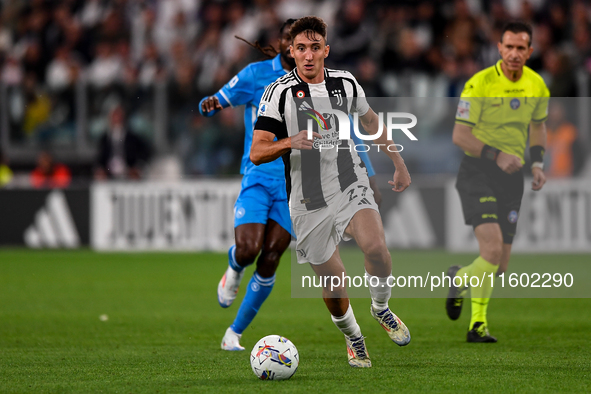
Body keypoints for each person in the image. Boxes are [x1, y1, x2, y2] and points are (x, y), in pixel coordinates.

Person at [199, 19, 381, 352]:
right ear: (285, 45)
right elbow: (220, 98)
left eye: (308, 45)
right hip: (258, 175)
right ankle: (235, 266)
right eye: (291, 41)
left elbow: (348, 130)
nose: (297, 49)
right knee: (249, 248)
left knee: (271, 257)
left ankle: (234, 334)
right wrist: (210, 103)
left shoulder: (327, 84)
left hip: (295, 186)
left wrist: (366, 171)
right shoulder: (258, 77)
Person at [250, 16, 411, 368]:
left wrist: (397, 161)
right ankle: (354, 337)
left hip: (348, 181)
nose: (309, 56)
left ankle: (380, 308)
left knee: (377, 249)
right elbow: (257, 152)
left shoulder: (345, 83)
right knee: (335, 287)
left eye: (315, 48)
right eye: (301, 49)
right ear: (290, 51)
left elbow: (369, 121)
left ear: (327, 49)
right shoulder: (277, 93)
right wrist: (290, 141)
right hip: (308, 199)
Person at [446, 21, 549, 342]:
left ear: (529, 51)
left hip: (512, 178)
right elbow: (459, 135)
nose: (514, 53)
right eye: (509, 47)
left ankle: (462, 283)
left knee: (499, 265)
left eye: (521, 48)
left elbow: (538, 126)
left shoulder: (537, 85)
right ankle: (478, 323)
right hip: (478, 171)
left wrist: (537, 164)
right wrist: (497, 155)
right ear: (499, 48)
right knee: (490, 251)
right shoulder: (479, 84)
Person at [95, 105, 152, 180]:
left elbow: (145, 153)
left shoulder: (133, 138)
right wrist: (101, 169)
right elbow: (100, 158)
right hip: (109, 174)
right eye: (114, 116)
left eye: (119, 116)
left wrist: (138, 167)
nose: (117, 119)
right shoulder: (104, 139)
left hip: (128, 173)